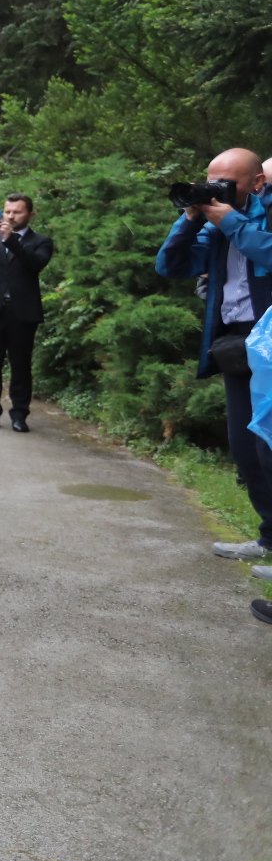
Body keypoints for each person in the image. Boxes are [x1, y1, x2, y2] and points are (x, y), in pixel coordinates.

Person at [156, 148, 272, 561]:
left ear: (257, 183)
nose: (218, 189)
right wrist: (189, 220)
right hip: (236, 347)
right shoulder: (216, 221)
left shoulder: (256, 215)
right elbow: (171, 265)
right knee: (246, 450)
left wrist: (231, 220)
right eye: (212, 180)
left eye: (229, 183)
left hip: (270, 346)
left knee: (270, 449)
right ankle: (268, 540)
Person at [0, 193, 53, 431]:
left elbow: (36, 264)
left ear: (30, 215)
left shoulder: (41, 241)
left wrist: (10, 241)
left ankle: (19, 415)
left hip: (22, 313)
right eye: (7, 211)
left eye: (17, 212)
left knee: (21, 365)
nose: (11, 216)